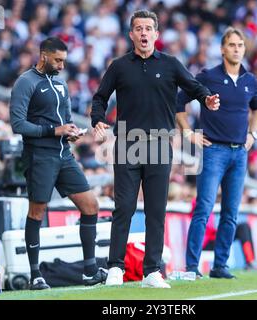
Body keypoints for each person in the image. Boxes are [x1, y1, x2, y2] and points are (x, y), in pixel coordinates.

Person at [91, 10, 219, 288]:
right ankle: (115, 268)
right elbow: (100, 97)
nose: (144, 33)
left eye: (148, 28)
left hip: (161, 142)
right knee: (123, 207)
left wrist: (207, 99)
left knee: (156, 210)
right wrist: (98, 120)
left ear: (157, 34)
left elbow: (194, 87)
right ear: (131, 34)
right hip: (127, 142)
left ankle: (152, 271)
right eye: (138, 28)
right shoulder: (119, 66)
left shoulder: (171, 64)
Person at [10, 37, 107, 290]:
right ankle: (35, 275)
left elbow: (63, 122)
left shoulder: (61, 84)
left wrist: (71, 133)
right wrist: (55, 130)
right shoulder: (25, 82)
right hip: (39, 156)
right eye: (58, 60)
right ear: (44, 56)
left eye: (64, 60)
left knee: (90, 205)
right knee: (37, 212)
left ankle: (89, 270)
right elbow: (18, 124)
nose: (62, 65)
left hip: (64, 154)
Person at [176, 27, 257, 279]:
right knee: (203, 209)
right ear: (222, 49)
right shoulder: (208, 76)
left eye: (240, 45)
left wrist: (253, 135)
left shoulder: (251, 81)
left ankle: (220, 266)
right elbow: (179, 101)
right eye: (232, 45)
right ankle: (192, 267)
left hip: (239, 154)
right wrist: (187, 132)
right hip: (213, 150)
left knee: (231, 213)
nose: (237, 49)